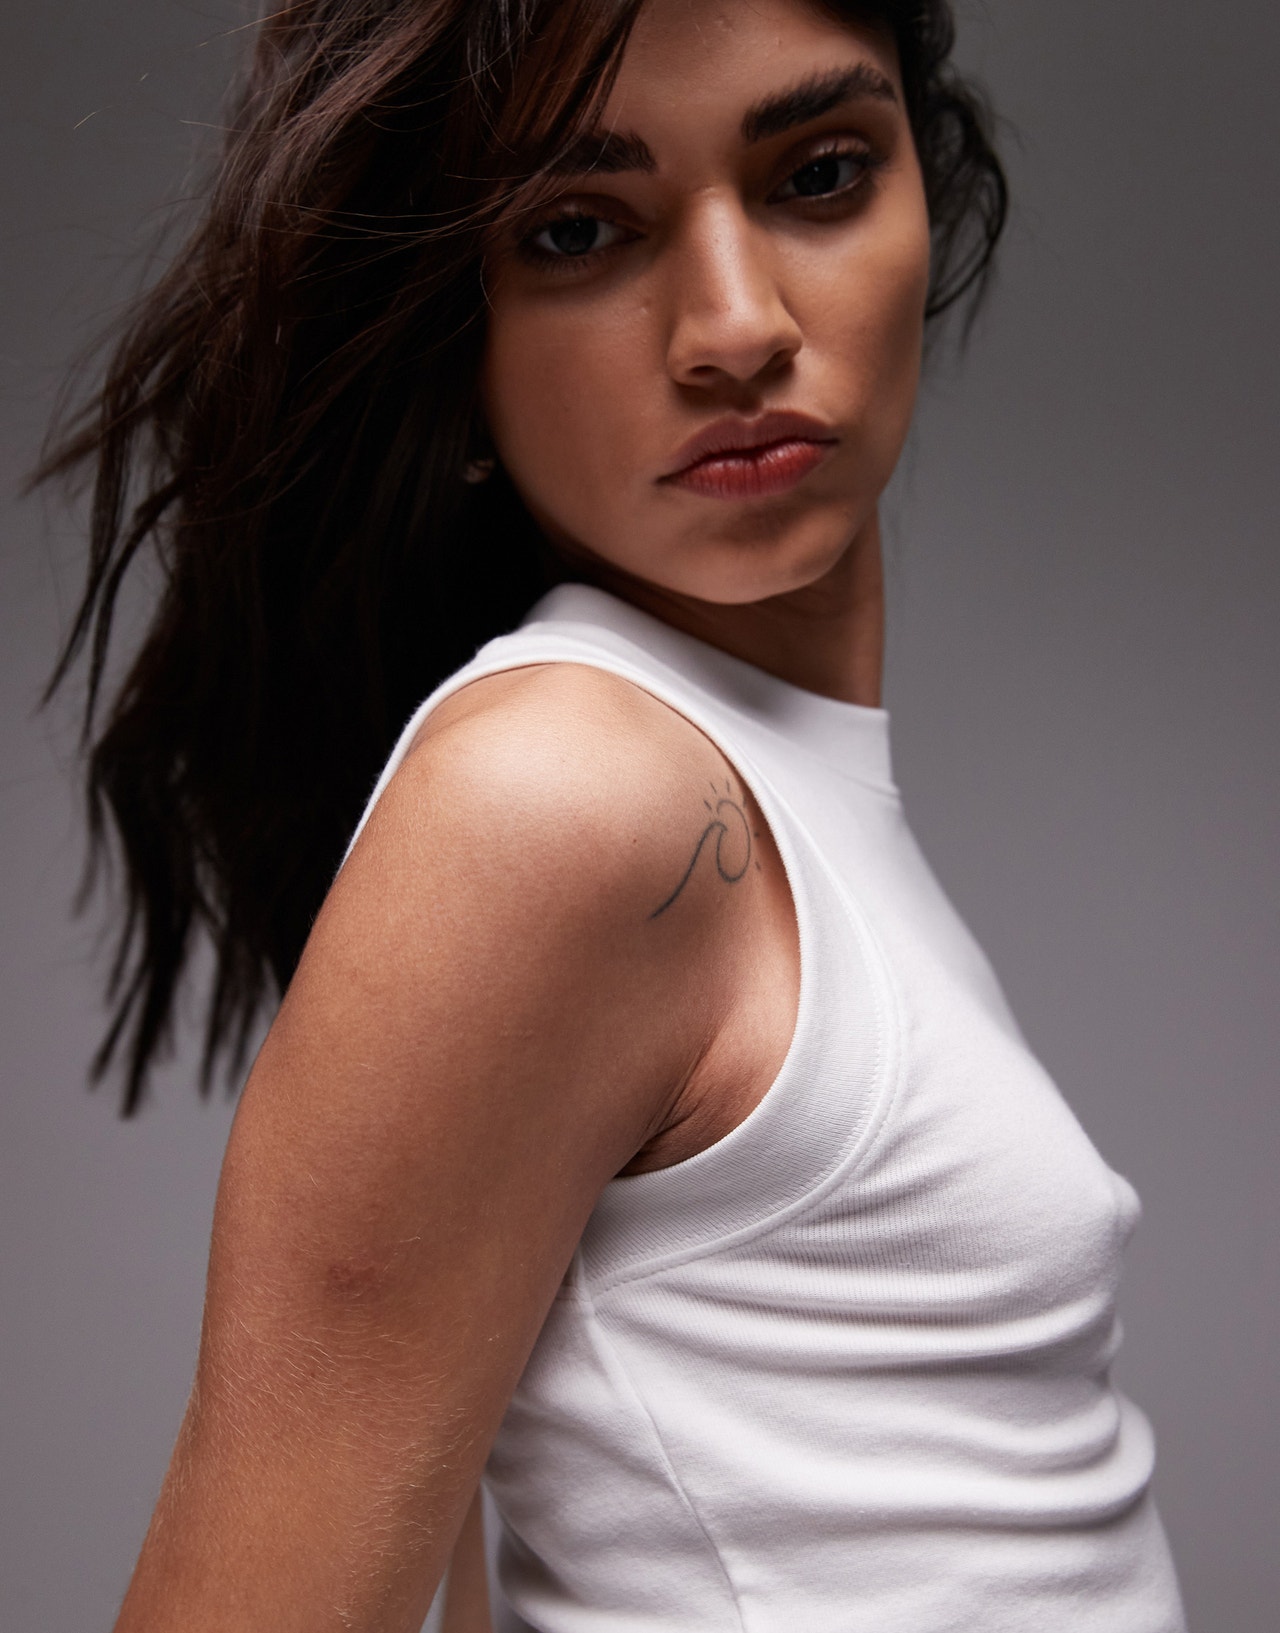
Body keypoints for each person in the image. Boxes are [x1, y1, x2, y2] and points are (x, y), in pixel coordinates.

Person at [40, 0, 1187, 1627]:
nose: (735, 326)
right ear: (454, 332)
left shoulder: (748, 779)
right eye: (577, 230)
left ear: (925, 197)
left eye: (820, 173)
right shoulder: (564, 795)